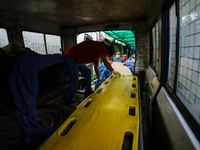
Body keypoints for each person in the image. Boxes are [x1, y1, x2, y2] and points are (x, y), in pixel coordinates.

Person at [63, 40, 121, 107]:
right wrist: (113, 71)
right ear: (107, 50)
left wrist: (99, 77)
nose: (106, 56)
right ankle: (70, 101)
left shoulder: (96, 54)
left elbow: (96, 67)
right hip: (70, 56)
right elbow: (105, 62)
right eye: (107, 54)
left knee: (88, 71)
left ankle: (88, 90)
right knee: (75, 77)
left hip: (77, 60)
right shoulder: (100, 46)